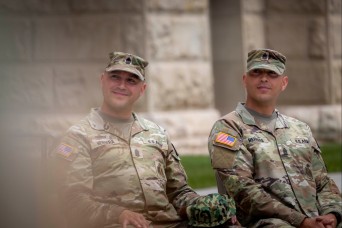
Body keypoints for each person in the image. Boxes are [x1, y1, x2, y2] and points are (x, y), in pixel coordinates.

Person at [51, 51, 237, 228]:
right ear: (102, 80)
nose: (122, 85)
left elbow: (178, 192)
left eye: (131, 80)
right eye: (115, 77)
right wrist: (119, 213)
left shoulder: (157, 134)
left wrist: (204, 205)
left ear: (142, 89)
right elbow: (74, 200)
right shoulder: (79, 136)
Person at [208, 48, 342, 228]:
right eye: (256, 72)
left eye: (272, 74)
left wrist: (332, 214)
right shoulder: (228, 128)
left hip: (314, 219)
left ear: (284, 83)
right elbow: (242, 189)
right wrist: (300, 221)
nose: (264, 78)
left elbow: (323, 182)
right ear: (244, 80)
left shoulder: (300, 129)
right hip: (264, 223)